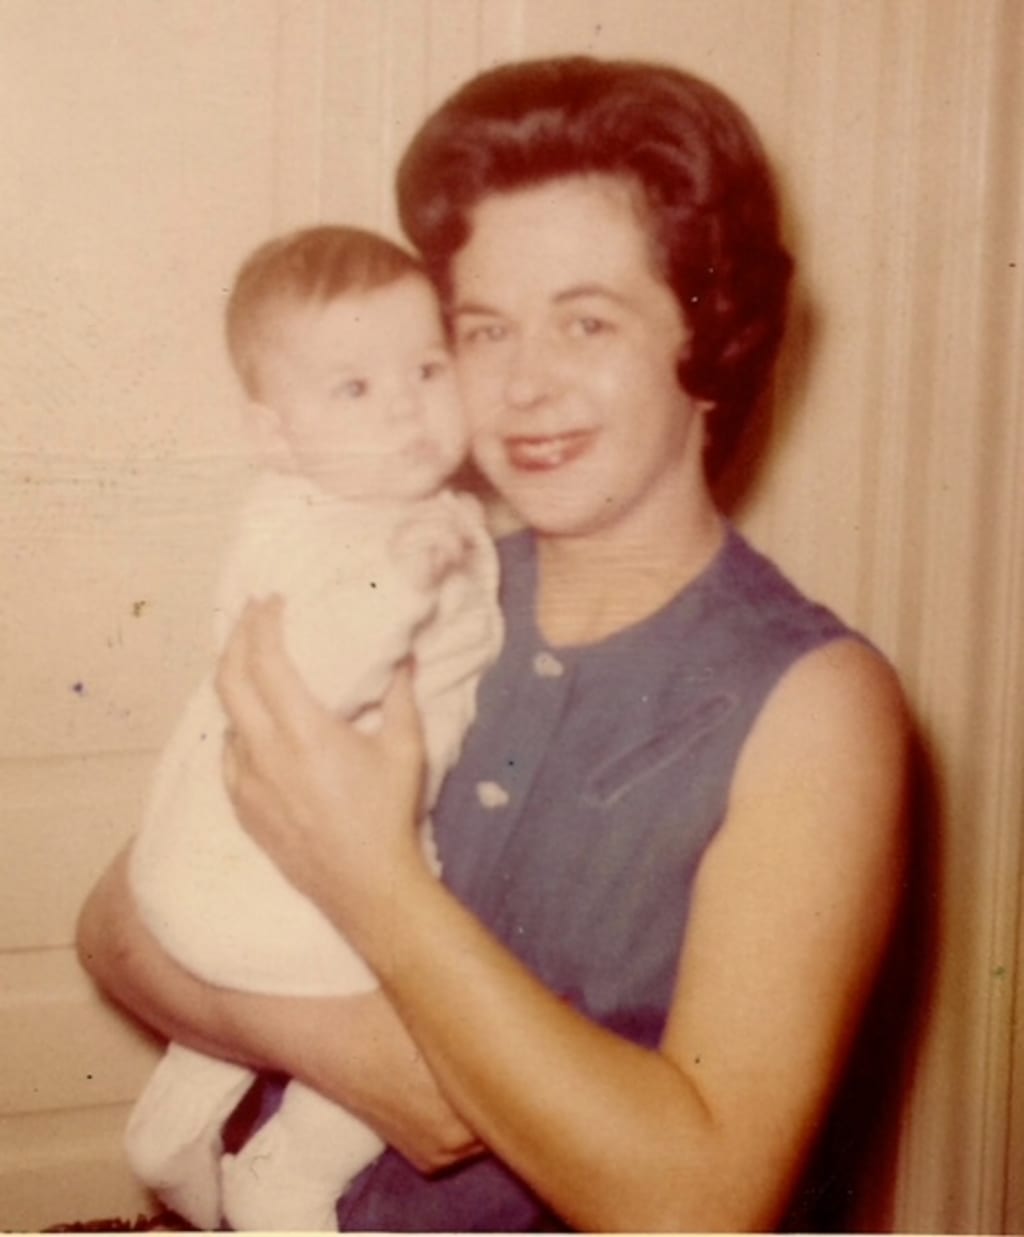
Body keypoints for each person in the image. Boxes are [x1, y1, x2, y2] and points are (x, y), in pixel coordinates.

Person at [78, 56, 909, 1231]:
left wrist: (370, 881)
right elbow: (117, 926)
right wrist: (361, 1055)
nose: (522, 384)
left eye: (585, 320)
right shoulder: (429, 582)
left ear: (709, 332)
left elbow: (701, 1202)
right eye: (483, 330)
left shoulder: (813, 703)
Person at [118, 225, 502, 1231]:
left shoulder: (403, 507)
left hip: (221, 881)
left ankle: (171, 1128)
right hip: (280, 885)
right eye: (354, 388)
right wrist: (400, 583)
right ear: (276, 436)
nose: (407, 407)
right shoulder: (308, 530)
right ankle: (289, 1176)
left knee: (270, 987)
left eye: (427, 369)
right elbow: (306, 674)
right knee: (431, 1009)